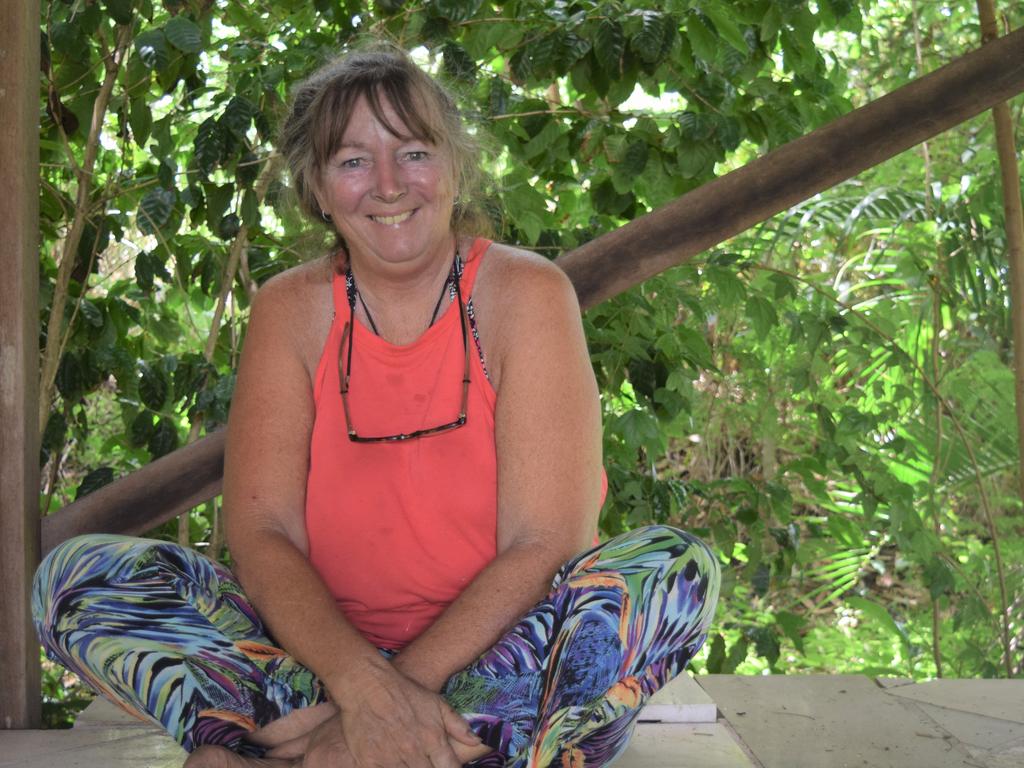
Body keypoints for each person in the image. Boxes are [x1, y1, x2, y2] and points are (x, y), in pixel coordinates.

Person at [32, 44, 720, 768]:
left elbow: (545, 542)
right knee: (76, 579)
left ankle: (302, 752)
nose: (389, 186)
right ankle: (456, 751)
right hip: (312, 668)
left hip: (497, 660)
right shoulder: (289, 311)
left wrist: (390, 699)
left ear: (455, 165)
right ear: (317, 190)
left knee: (674, 571)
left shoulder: (527, 295)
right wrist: (361, 687)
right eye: (353, 161)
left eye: (414, 152)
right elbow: (262, 533)